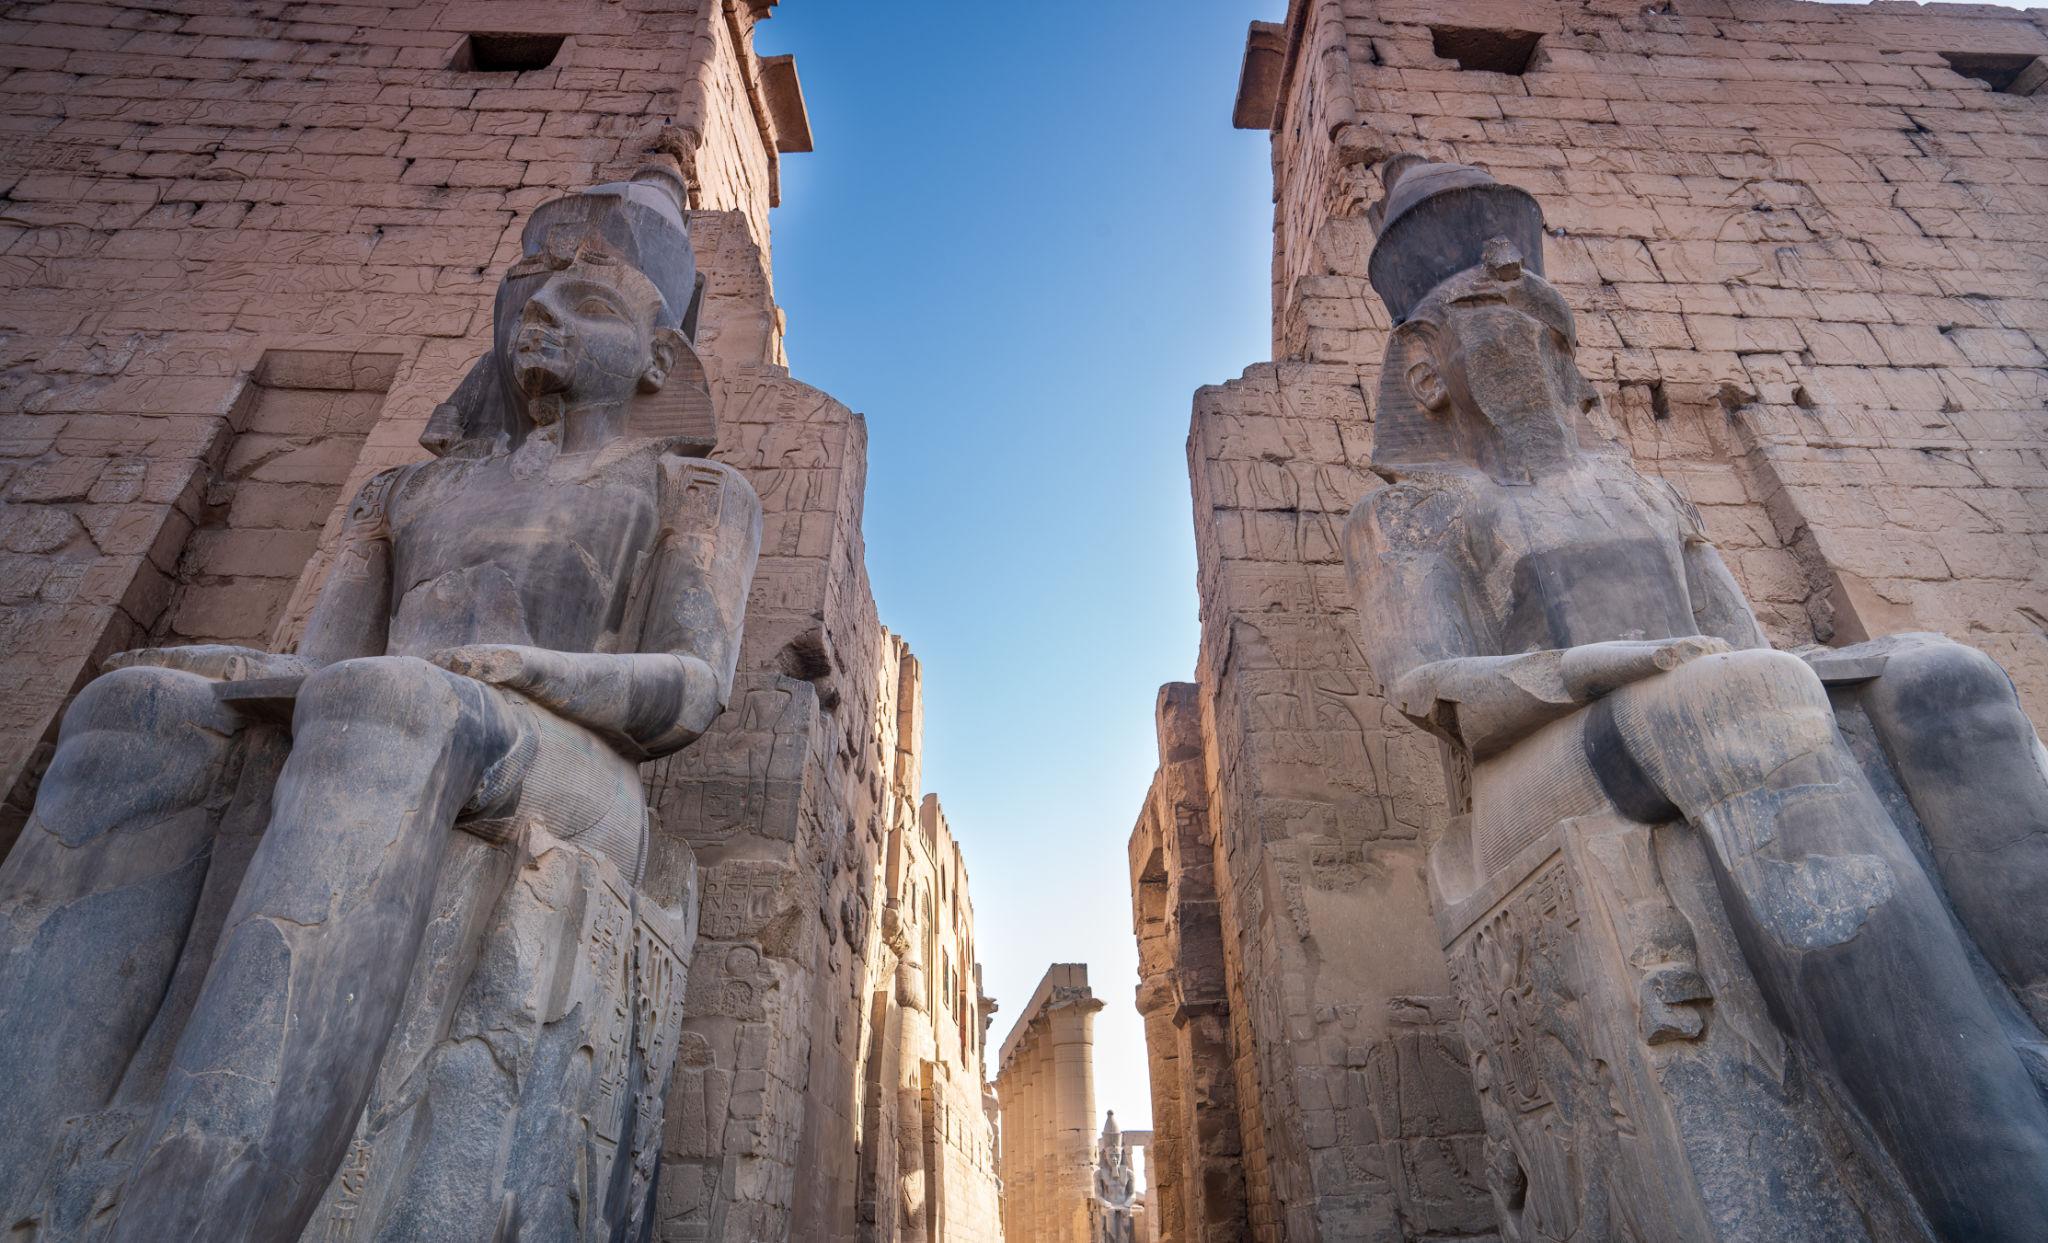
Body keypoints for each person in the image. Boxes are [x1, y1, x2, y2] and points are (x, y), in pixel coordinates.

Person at [0, 167, 759, 1241]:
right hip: (408, 707)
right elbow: (323, 663)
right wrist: (224, 676)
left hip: (577, 760)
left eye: (582, 307)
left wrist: (524, 669)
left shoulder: (692, 492)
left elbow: (689, 688)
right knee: (136, 712)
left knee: (389, 707)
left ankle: (204, 1209)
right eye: (524, 306)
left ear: (657, 362)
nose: (539, 320)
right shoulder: (405, 488)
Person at [1344, 156, 2048, 1240]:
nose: (1527, 350)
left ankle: (2026, 1028)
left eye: (1542, 324)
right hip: (1524, 765)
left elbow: (1739, 640)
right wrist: (1596, 666)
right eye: (1492, 331)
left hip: (1677, 694)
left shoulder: (1641, 486)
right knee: (1740, 709)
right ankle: (1985, 1166)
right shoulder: (1412, 517)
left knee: (1944, 681)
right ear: (1426, 373)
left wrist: (1768, 665)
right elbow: (1431, 691)